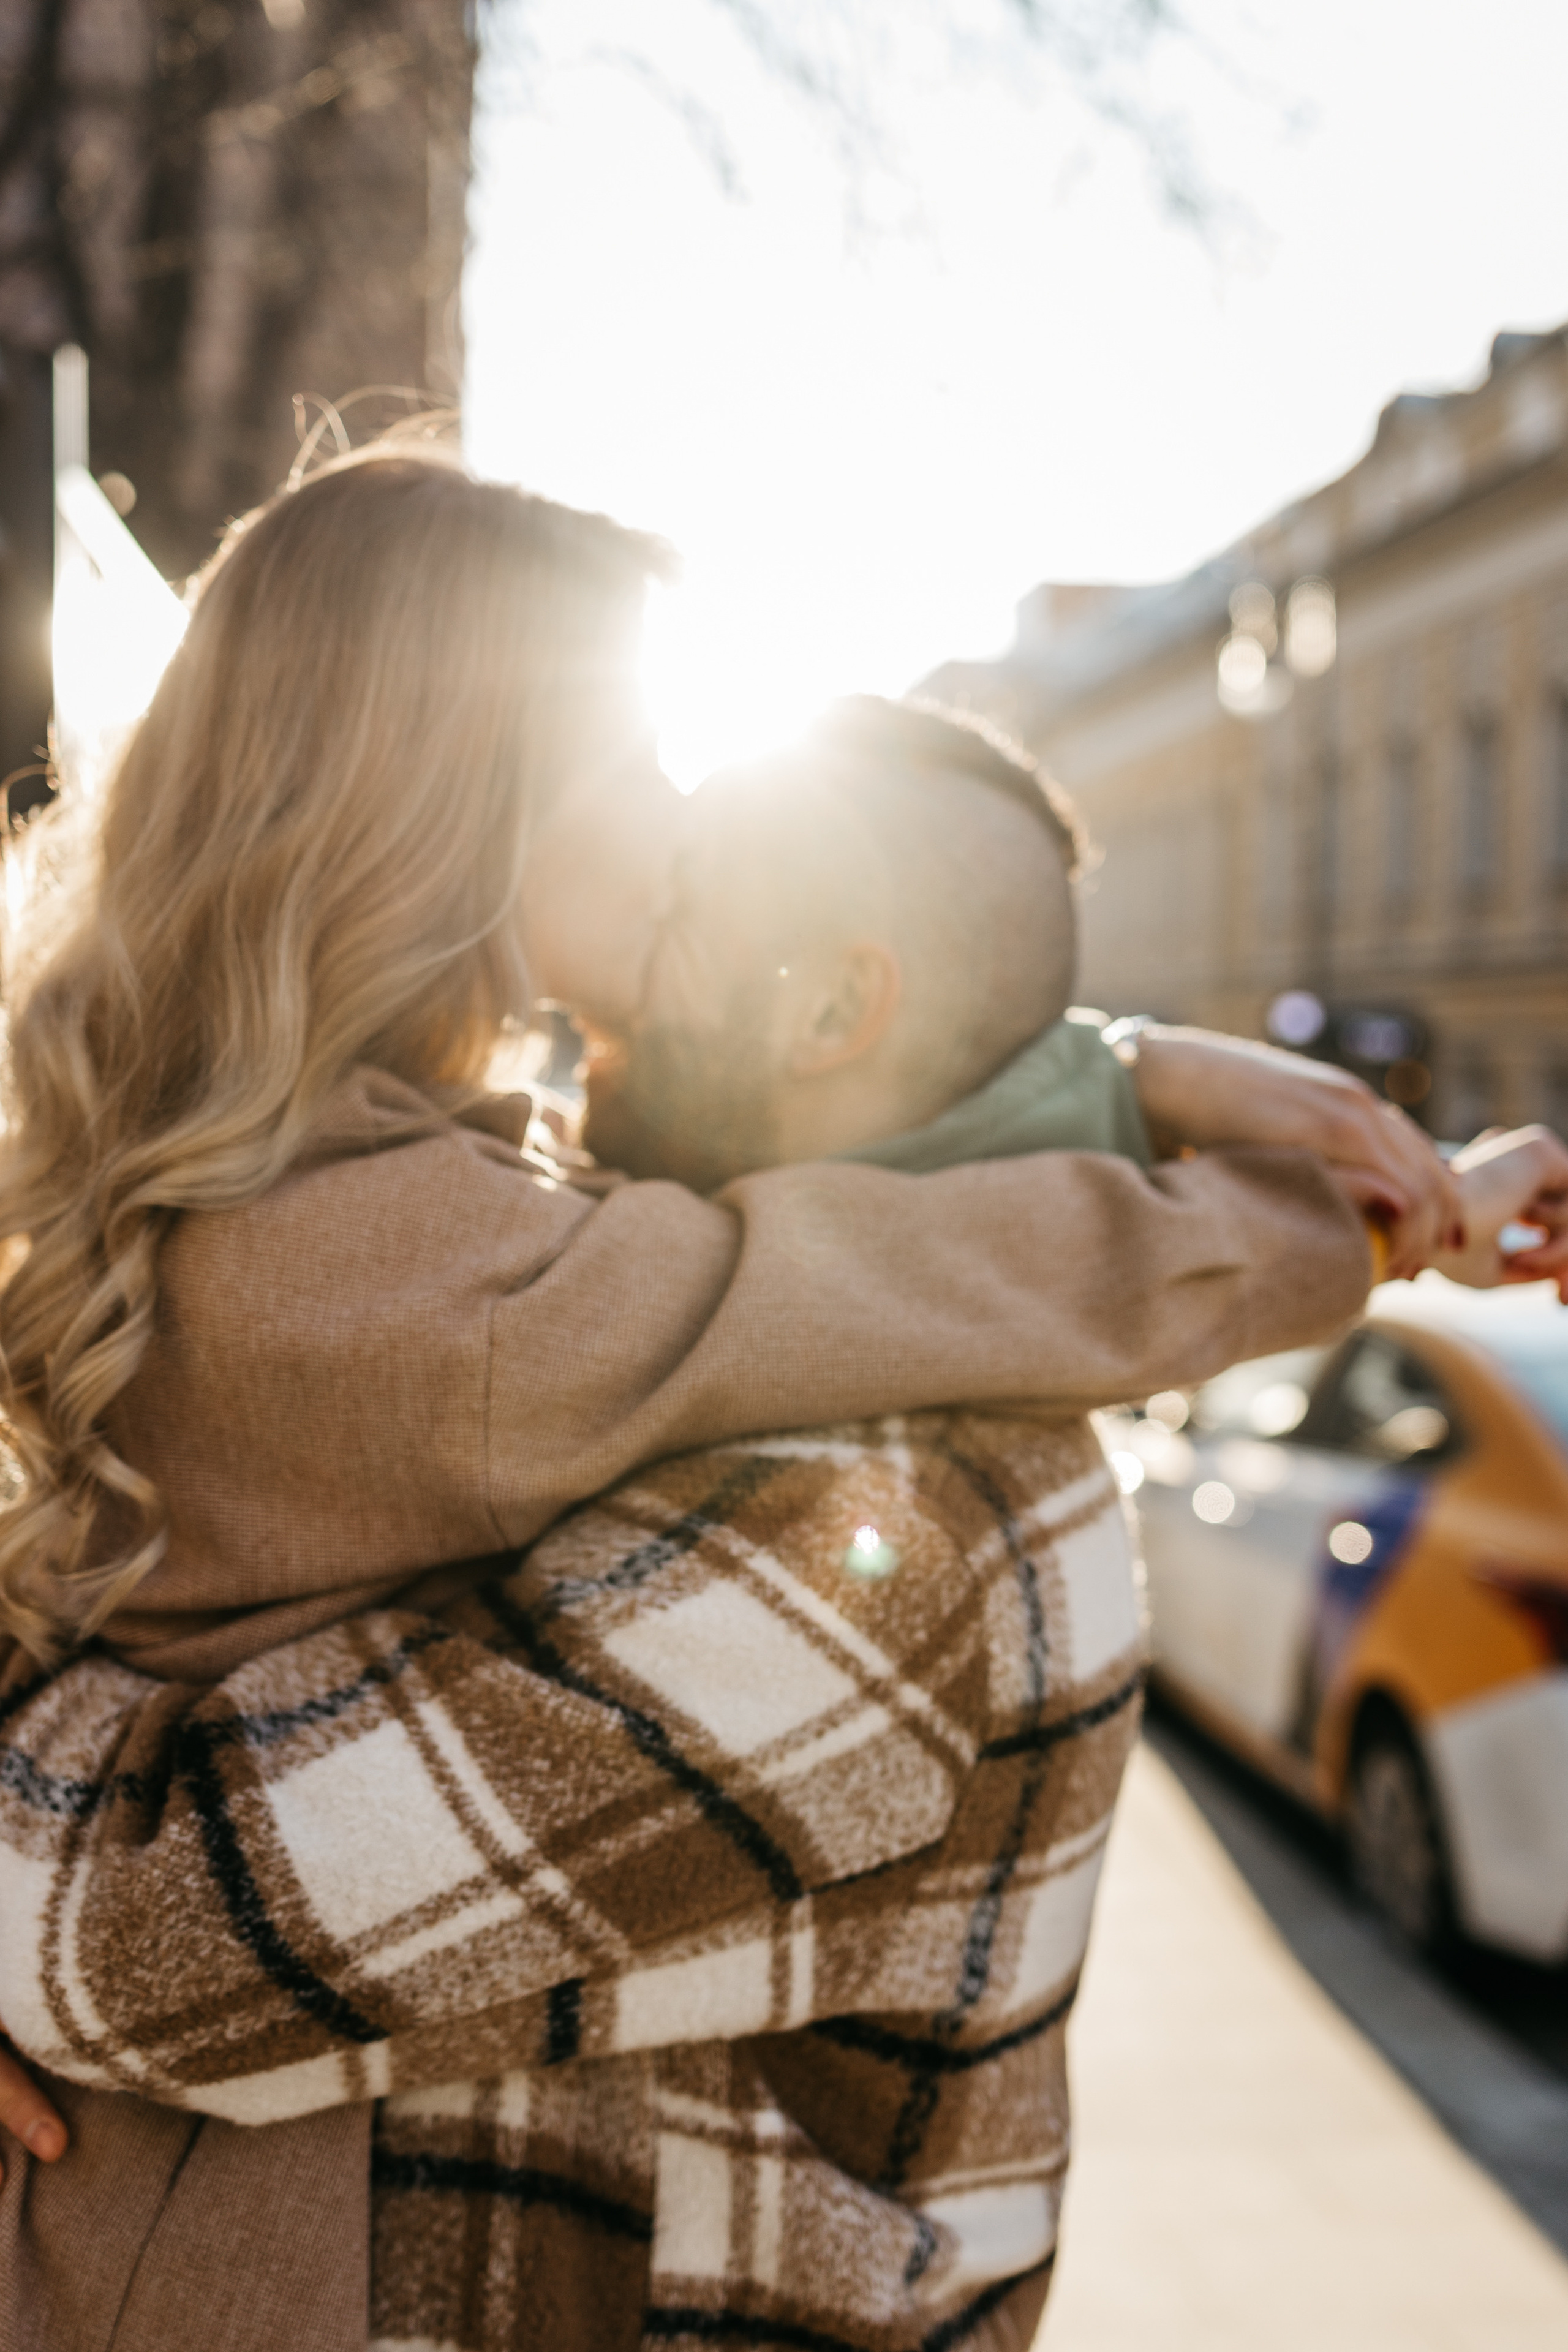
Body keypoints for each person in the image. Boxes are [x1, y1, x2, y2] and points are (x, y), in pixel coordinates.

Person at [4, 658, 1563, 2350]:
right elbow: (861, 1243)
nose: (586, 997)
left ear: (828, 1011)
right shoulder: (693, 1313)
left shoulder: (876, 1536)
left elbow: (117, 1947)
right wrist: (1132, 1077)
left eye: (678, 916)